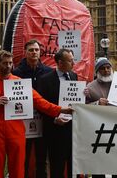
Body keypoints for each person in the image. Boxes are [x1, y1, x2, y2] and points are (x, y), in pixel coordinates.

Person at [0, 50, 73, 178]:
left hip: (15, 129)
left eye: (10, 63)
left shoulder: (20, 82)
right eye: (5, 63)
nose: (8, 66)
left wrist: (60, 110)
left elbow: (40, 102)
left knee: (18, 167)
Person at [2, 0, 95, 82]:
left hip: (71, 83)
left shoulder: (82, 10)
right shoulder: (29, 3)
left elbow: (88, 51)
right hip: (33, 78)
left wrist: (87, 80)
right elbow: (11, 40)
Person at [13, 40, 52, 178]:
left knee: (42, 157)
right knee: (24, 156)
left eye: (36, 50)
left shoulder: (48, 71)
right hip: (23, 120)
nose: (34, 52)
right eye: (31, 50)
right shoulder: (16, 72)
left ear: (40, 52)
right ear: (25, 52)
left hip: (42, 119)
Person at [36, 49, 78, 178]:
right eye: (70, 60)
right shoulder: (45, 80)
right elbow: (40, 106)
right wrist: (54, 119)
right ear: (60, 62)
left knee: (74, 166)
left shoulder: (74, 76)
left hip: (72, 131)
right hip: (55, 130)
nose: (73, 63)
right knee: (57, 167)